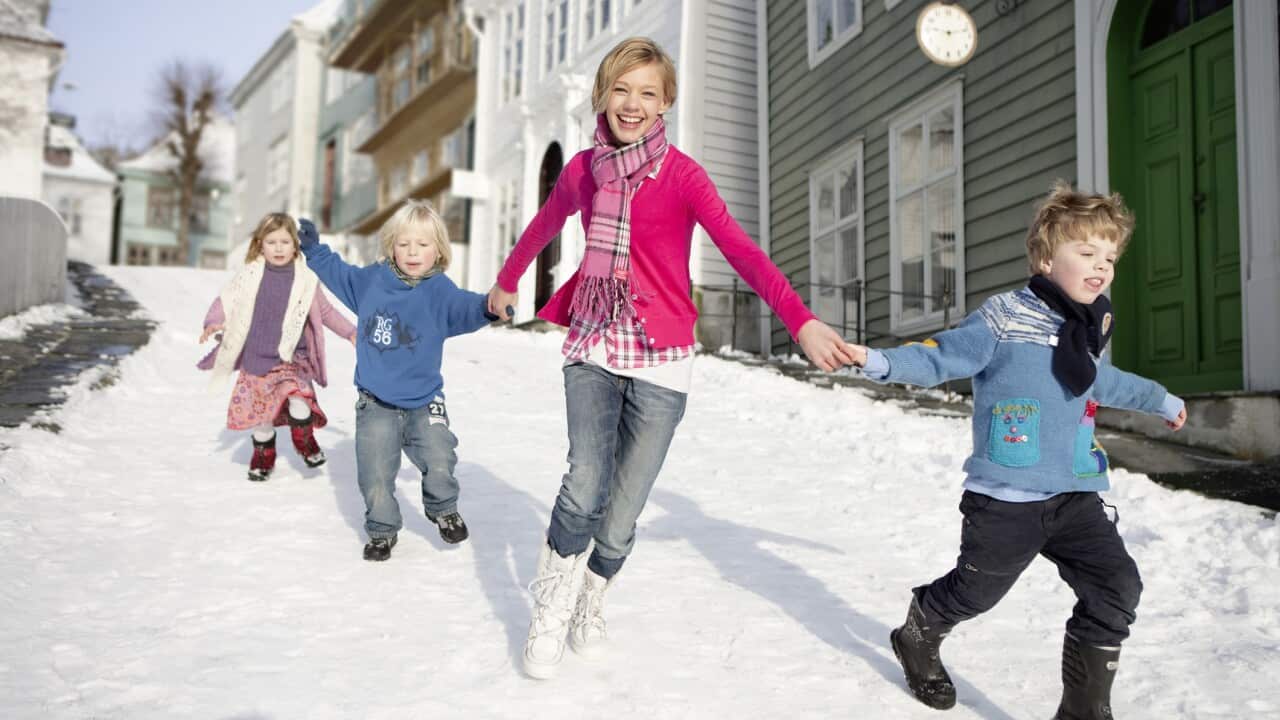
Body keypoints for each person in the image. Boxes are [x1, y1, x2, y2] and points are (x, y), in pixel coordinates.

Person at [486, 37, 857, 679]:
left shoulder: (682, 175)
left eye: (647, 93)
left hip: (662, 356)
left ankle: (592, 596)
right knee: (584, 480)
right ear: (603, 95)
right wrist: (508, 279)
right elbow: (543, 225)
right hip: (595, 339)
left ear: (667, 104)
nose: (633, 104)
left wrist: (798, 319)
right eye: (622, 89)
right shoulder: (582, 170)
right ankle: (549, 604)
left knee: (625, 508)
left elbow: (742, 251)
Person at [845, 182, 1188, 718]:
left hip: (1074, 492)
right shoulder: (1004, 316)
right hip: (1006, 495)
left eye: (1110, 256)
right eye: (1087, 252)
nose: (1102, 266)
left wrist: (1160, 398)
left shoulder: (1087, 328)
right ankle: (921, 627)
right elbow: (944, 356)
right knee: (976, 594)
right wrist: (881, 362)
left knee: (1117, 585)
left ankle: (1082, 712)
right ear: (1049, 258)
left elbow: (1102, 381)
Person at [299, 200, 497, 561]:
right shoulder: (372, 281)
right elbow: (338, 273)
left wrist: (491, 306)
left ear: (438, 250)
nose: (412, 252)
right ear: (391, 245)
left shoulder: (440, 291)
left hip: (425, 401)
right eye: (404, 244)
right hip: (376, 403)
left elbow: (468, 308)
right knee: (374, 475)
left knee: (439, 457)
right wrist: (313, 250)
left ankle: (443, 508)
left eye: (422, 245)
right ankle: (382, 531)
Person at [198, 212, 356, 482]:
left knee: (300, 402)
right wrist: (213, 323)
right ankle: (263, 454)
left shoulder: (305, 279)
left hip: (291, 359)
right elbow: (224, 302)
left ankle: (304, 440)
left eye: (285, 242)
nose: (279, 248)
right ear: (260, 244)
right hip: (256, 359)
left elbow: (326, 312)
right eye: (272, 242)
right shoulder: (249, 276)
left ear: (295, 245)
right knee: (262, 418)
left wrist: (351, 332)